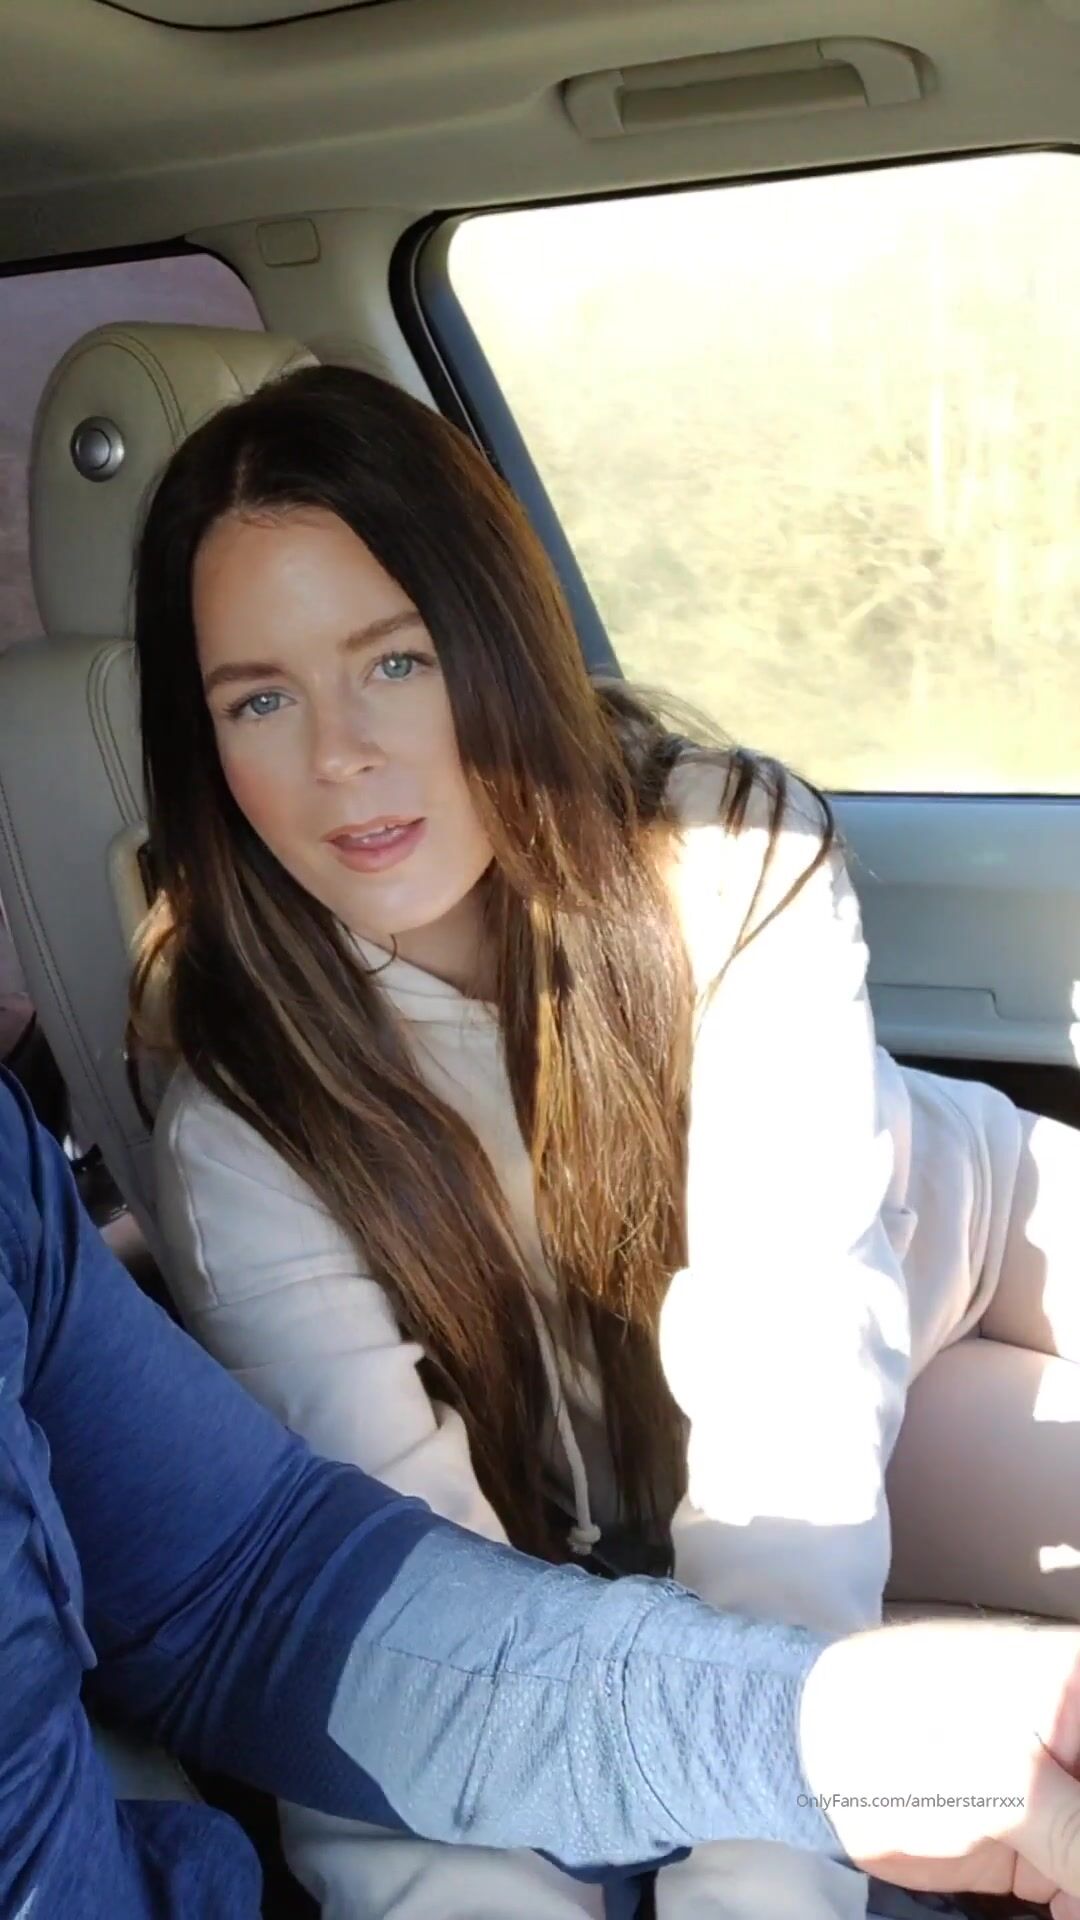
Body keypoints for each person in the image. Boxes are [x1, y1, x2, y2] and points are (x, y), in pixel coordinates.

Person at [130, 364, 1080, 1920]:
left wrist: (758, 1896)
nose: (340, 754)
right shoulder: (244, 1114)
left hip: (963, 1249)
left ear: (499, 636)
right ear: (207, 744)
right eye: (260, 699)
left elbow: (789, 1379)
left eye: (397, 660)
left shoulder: (728, 858)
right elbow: (398, 1630)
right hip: (698, 1486)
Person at [11, 1070, 1080, 1920]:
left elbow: (252, 1594)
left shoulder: (11, 1187)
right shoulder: (245, 1127)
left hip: (922, 1290)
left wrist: (825, 1741)